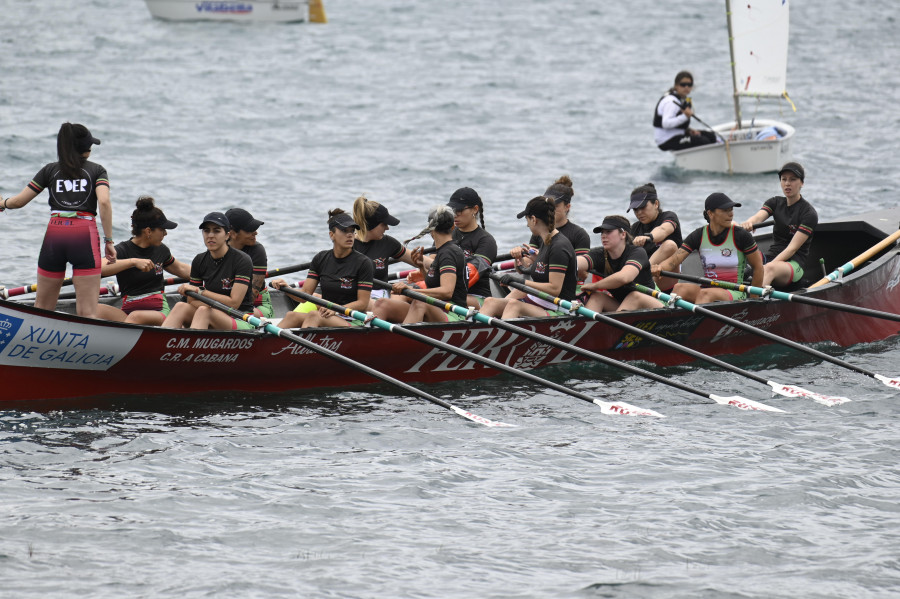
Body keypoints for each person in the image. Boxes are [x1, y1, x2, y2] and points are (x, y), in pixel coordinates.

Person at [0, 123, 115, 318]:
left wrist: (3, 203)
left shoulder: (49, 170)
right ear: (86, 148)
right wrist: (109, 241)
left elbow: (19, 202)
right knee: (87, 312)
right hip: (84, 235)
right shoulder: (97, 171)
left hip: (55, 234)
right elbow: (103, 202)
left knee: (42, 308)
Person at [271, 209, 373, 329]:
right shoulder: (321, 258)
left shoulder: (364, 263)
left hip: (353, 320)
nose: (350, 235)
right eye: (345, 231)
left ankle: (302, 347)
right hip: (327, 315)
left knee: (314, 315)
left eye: (352, 231)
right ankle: (266, 345)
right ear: (332, 235)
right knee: (291, 315)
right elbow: (305, 295)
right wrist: (286, 289)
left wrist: (337, 310)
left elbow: (363, 303)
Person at [653, 193, 764, 303]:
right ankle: (675, 320)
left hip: (735, 291)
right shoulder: (698, 235)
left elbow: (758, 268)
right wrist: (657, 268)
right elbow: (673, 261)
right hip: (707, 288)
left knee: (706, 294)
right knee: (679, 288)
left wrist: (753, 300)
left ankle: (694, 320)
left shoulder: (741, 235)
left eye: (731, 210)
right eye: (725, 210)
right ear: (710, 213)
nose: (731, 214)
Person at [95, 196, 190, 324]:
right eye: (162, 229)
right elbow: (99, 267)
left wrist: (210, 274)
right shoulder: (123, 250)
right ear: (148, 231)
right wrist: (133, 262)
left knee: (135, 317)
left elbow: (182, 269)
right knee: (94, 310)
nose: (165, 233)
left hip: (159, 312)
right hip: (128, 314)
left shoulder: (161, 250)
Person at [482, 196, 577, 319]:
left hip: (559, 308)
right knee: (490, 302)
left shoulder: (559, 246)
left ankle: (499, 337)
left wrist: (520, 282)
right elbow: (541, 270)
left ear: (533, 219)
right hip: (540, 300)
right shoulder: (546, 241)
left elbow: (554, 289)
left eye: (527, 219)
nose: (527, 224)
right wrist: (534, 260)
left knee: (514, 305)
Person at [161, 212, 255, 330]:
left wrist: (200, 291)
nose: (210, 235)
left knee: (205, 312)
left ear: (227, 235)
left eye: (216, 231)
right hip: (213, 313)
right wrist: (210, 307)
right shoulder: (199, 260)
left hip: (241, 318)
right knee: (181, 306)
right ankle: (162, 343)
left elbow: (234, 303)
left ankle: (190, 346)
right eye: (206, 231)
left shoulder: (242, 260)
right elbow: (191, 300)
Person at [739, 162, 818, 287]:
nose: (787, 183)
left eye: (793, 179)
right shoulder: (775, 202)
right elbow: (758, 217)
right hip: (772, 257)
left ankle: (752, 302)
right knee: (738, 252)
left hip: (793, 264)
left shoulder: (809, 213)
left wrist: (764, 268)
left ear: (802, 183)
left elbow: (792, 249)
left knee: (769, 268)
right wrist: (749, 223)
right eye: (784, 179)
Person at [387, 205, 468, 323]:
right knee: (382, 303)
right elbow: (434, 287)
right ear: (453, 226)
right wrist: (421, 267)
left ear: (430, 229)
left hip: (455, 314)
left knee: (420, 301)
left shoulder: (448, 253)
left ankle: (399, 339)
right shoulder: (445, 251)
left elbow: (447, 292)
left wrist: (410, 291)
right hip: (440, 309)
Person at [578, 215, 664, 312]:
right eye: (602, 232)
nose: (603, 236)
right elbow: (577, 263)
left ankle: (611, 326)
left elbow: (624, 278)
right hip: (623, 306)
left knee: (634, 296)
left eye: (608, 231)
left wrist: (595, 286)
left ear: (623, 234)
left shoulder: (637, 252)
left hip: (653, 305)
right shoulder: (599, 254)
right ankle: (587, 326)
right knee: (597, 296)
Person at [350, 195, 416, 309]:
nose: (387, 228)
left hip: (380, 298)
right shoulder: (348, 245)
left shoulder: (388, 243)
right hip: (354, 296)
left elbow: (426, 263)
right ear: (371, 225)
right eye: (384, 224)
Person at [512, 175, 590, 267]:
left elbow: (583, 273)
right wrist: (518, 258)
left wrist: (543, 259)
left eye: (555, 206)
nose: (550, 209)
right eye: (548, 205)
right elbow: (528, 265)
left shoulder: (579, 234)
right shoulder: (539, 232)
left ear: (567, 207)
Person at [447, 187, 497, 307]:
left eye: (459, 210)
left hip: (477, 297)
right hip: (449, 290)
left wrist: (440, 287)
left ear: (475, 209)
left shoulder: (486, 241)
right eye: (452, 210)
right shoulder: (447, 234)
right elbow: (433, 263)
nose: (454, 215)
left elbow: (470, 275)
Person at [627, 183, 682, 291]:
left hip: (669, 278)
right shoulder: (635, 228)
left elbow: (663, 229)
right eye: (635, 209)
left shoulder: (669, 216)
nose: (639, 213)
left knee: (669, 245)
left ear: (656, 204)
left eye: (643, 207)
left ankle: (638, 279)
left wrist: (649, 237)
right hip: (649, 279)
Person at [225, 208, 273, 318]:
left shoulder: (257, 251)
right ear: (232, 233)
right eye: (249, 230)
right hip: (229, 302)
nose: (255, 233)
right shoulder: (218, 249)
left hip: (257, 306)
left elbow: (250, 298)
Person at [653, 71, 717, 151]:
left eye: (689, 85)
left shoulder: (681, 99)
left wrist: (688, 130)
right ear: (676, 86)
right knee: (703, 141)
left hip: (678, 135)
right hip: (666, 140)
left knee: (711, 136)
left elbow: (676, 121)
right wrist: (685, 116)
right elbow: (666, 123)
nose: (686, 87)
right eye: (683, 85)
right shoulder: (671, 102)